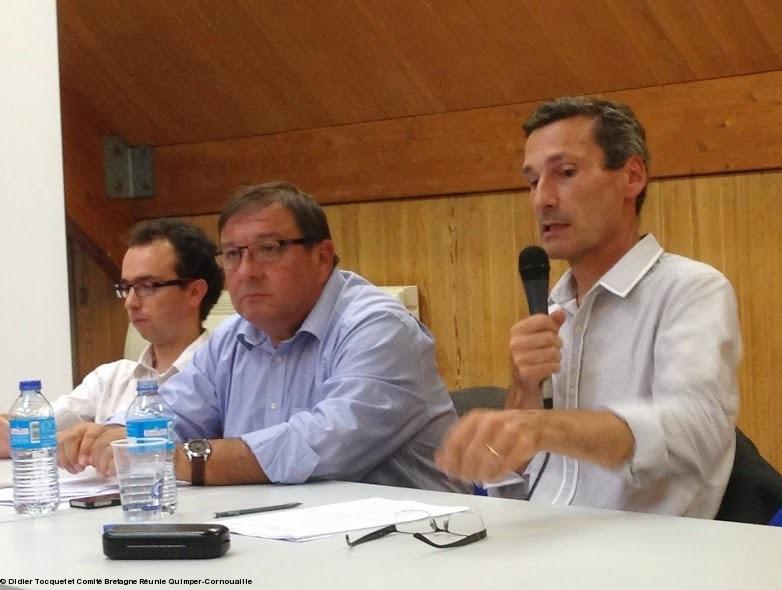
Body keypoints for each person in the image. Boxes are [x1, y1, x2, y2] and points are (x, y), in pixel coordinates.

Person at [436, 96, 740, 518]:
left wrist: (543, 427)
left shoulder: (691, 289)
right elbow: (522, 473)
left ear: (632, 176)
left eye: (565, 173)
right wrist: (523, 391)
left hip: (644, 547)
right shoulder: (555, 304)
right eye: (532, 181)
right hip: (541, 534)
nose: (541, 199)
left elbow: (694, 430)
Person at [59, 182, 467, 493]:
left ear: (322, 257)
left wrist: (185, 458)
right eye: (233, 255)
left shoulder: (378, 326)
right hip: (279, 538)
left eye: (268, 249)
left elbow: (326, 443)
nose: (247, 271)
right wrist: (115, 433)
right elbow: (175, 411)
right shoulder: (233, 338)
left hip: (412, 546)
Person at [0, 218, 223, 457]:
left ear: (194, 292)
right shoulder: (111, 379)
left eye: (147, 286)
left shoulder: (222, 379)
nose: (130, 302)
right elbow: (27, 429)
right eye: (126, 288)